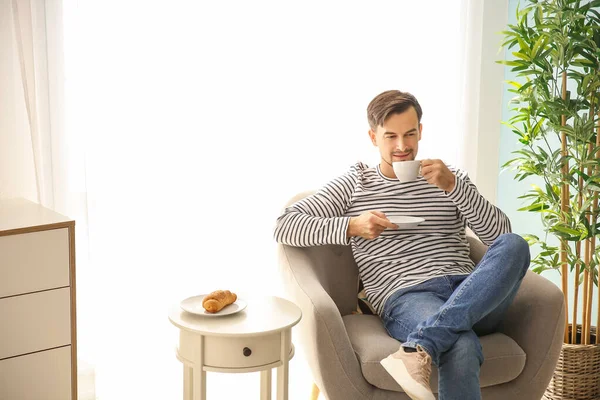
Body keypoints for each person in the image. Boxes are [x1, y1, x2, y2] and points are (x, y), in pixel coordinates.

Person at [273, 90, 530, 400]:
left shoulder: (449, 178)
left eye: (410, 134)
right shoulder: (356, 183)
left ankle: (421, 344)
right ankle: (430, 341)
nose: (402, 146)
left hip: (471, 291)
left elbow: (497, 235)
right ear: (373, 137)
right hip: (407, 296)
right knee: (460, 345)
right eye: (390, 136)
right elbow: (284, 225)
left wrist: (454, 187)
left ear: (421, 130)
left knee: (515, 244)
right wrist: (352, 225)